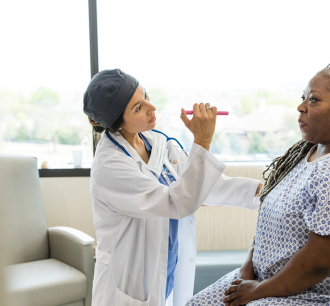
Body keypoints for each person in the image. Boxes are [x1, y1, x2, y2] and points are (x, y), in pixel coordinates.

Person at [185, 54, 330, 306]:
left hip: (325, 295)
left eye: (313, 99)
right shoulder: (307, 154)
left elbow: (318, 264)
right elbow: (268, 228)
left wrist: (256, 291)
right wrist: (245, 273)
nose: (301, 107)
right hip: (268, 283)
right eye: (303, 98)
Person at [83, 69, 263, 306]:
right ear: (117, 122)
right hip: (129, 286)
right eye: (138, 107)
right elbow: (177, 202)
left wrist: (264, 192)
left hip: (167, 272)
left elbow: (204, 186)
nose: (151, 107)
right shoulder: (110, 166)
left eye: (145, 95)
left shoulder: (159, 145)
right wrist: (203, 141)